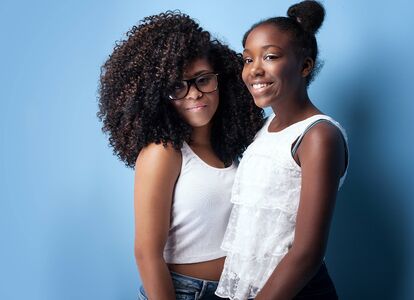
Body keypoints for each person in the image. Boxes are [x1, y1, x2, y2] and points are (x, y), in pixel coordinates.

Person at [97, 12, 264, 300]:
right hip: (185, 293)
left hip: (236, 290)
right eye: (178, 86)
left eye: (203, 79)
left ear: (220, 80)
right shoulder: (162, 153)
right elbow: (147, 254)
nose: (194, 93)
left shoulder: (226, 149)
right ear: (155, 95)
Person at [216, 1, 348, 299]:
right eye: (247, 60)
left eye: (270, 56)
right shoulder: (266, 128)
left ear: (304, 66)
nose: (254, 70)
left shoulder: (318, 136)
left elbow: (307, 253)